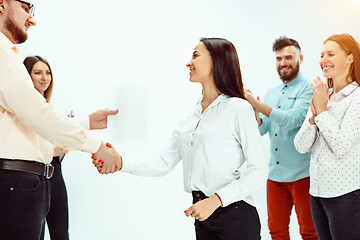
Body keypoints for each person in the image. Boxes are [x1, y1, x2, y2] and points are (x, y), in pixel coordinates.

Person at [93, 38, 268, 240]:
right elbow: (163, 163)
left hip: (235, 215)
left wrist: (215, 201)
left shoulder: (238, 108)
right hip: (202, 215)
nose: (188, 62)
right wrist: (121, 162)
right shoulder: (190, 116)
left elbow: (259, 171)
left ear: (216, 61)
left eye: (195, 55)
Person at [0, 1, 121, 239]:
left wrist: (87, 121)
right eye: (26, 7)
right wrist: (96, 147)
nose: (32, 19)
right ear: (2, 4)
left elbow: (34, 129)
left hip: (28, 181)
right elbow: (38, 115)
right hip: (16, 181)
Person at [23, 55, 115, 240]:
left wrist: (80, 130)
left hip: (54, 174)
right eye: (38, 73)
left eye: (48, 73)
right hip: (33, 177)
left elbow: (60, 132)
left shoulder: (50, 109)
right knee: (35, 233)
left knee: (61, 233)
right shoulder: (23, 107)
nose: (44, 78)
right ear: (26, 76)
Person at [244, 37, 318, 239]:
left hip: (303, 175)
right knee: (276, 231)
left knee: (310, 232)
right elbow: (262, 129)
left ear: (300, 58)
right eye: (278, 58)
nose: (283, 62)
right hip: (275, 176)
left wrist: (260, 107)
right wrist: (255, 113)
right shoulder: (271, 92)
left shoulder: (308, 88)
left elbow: (292, 119)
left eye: (288, 57)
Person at [294, 33, 360, 240]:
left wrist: (321, 111)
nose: (323, 60)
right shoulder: (323, 95)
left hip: (346, 194)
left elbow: (341, 145)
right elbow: (301, 146)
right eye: (322, 55)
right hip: (317, 193)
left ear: (350, 58)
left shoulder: (357, 97)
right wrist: (314, 117)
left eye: (331, 54)